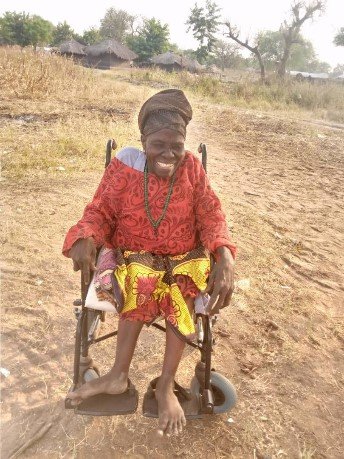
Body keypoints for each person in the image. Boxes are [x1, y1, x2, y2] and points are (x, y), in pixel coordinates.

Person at [63, 89, 236, 437]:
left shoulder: (192, 169)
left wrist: (225, 252)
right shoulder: (124, 166)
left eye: (177, 145)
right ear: (143, 140)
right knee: (140, 279)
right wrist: (86, 234)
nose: (169, 154)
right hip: (135, 257)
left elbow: (211, 213)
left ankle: (166, 384)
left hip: (183, 259)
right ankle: (117, 376)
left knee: (183, 284)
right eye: (159, 144)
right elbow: (100, 210)